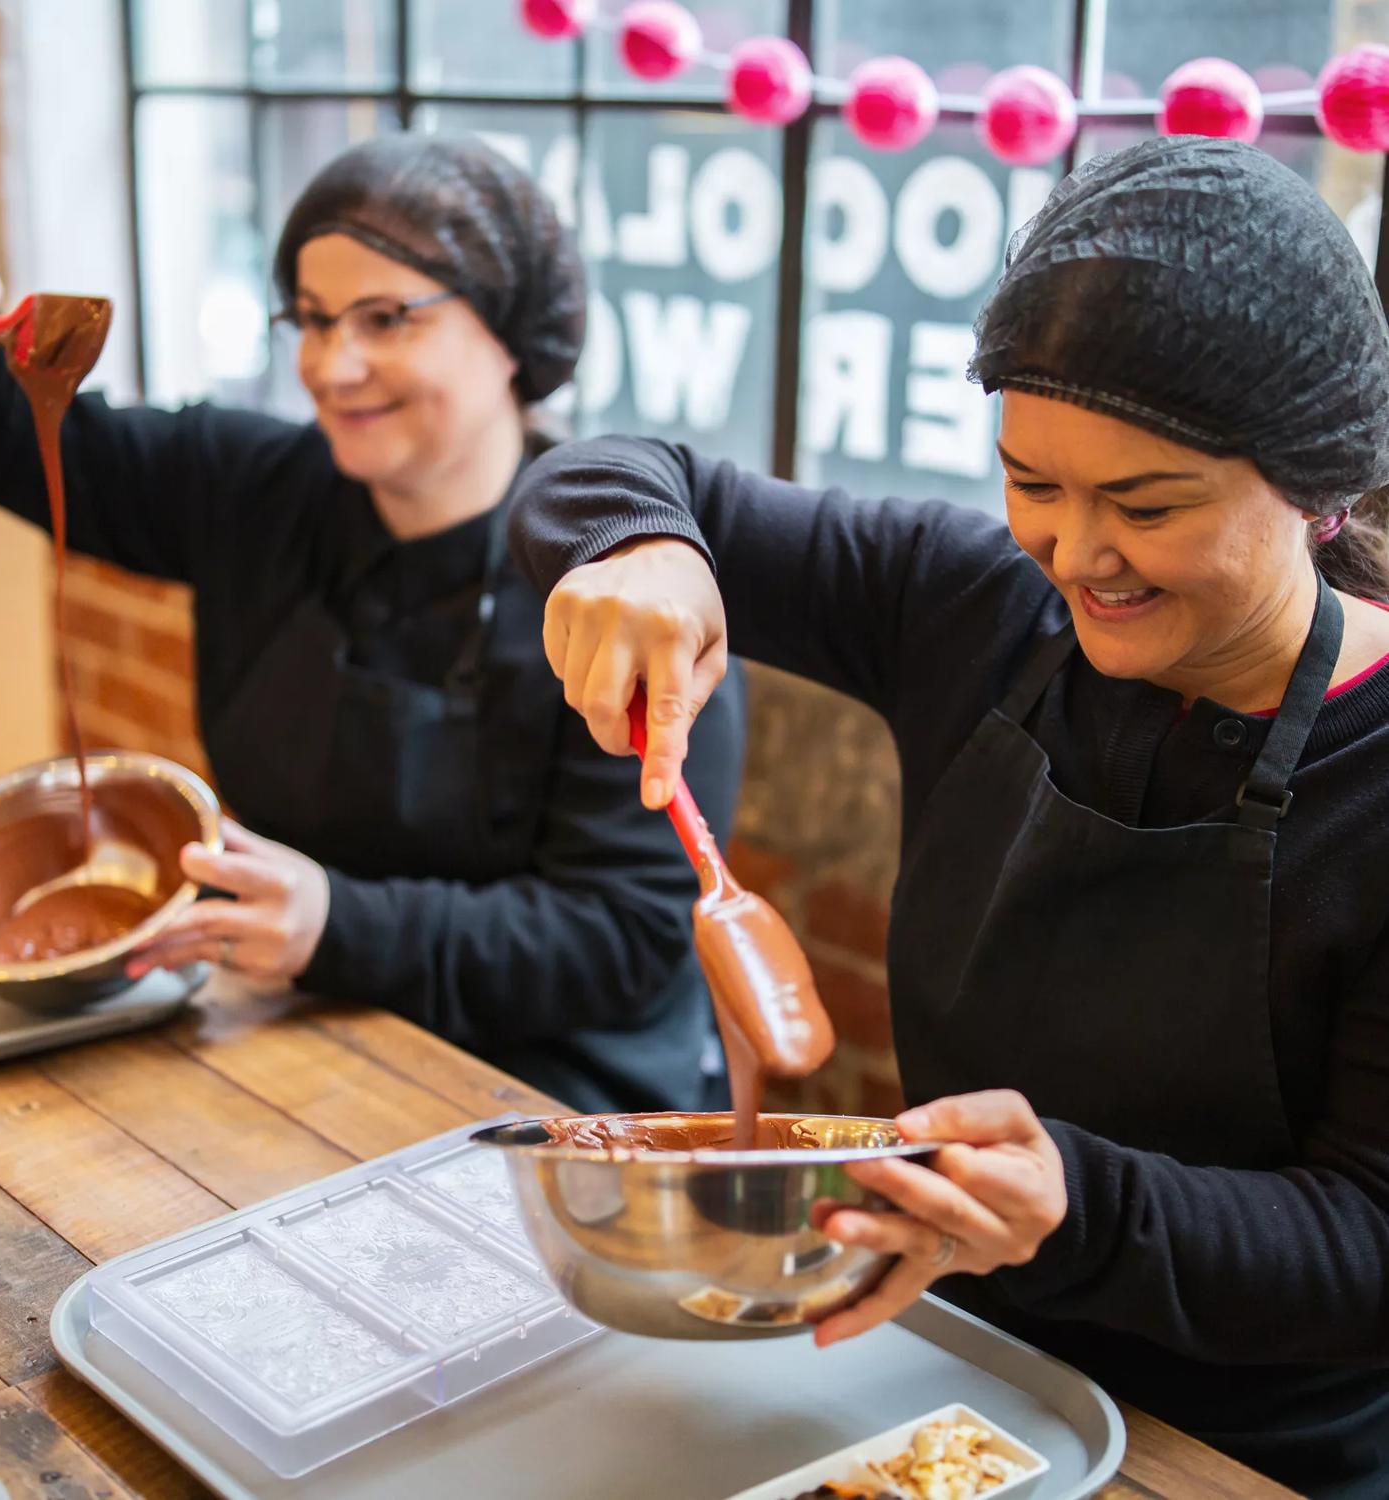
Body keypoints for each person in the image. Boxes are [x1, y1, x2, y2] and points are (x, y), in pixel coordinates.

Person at [509, 136, 1389, 1498]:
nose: (1078, 555)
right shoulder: (975, 605)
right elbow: (614, 468)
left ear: (1319, 484)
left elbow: (1369, 1248)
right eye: (1032, 483)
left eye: (1146, 505)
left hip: (1244, 1460)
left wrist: (1079, 1209)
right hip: (948, 1386)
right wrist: (641, 545)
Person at [0, 135, 746, 1114]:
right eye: (311, 318)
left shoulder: (626, 584)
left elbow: (622, 938)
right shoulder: (254, 489)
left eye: (386, 319)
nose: (333, 366)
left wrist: (339, 923)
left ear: (512, 327)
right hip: (301, 1039)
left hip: (551, 1099)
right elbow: (21, 441)